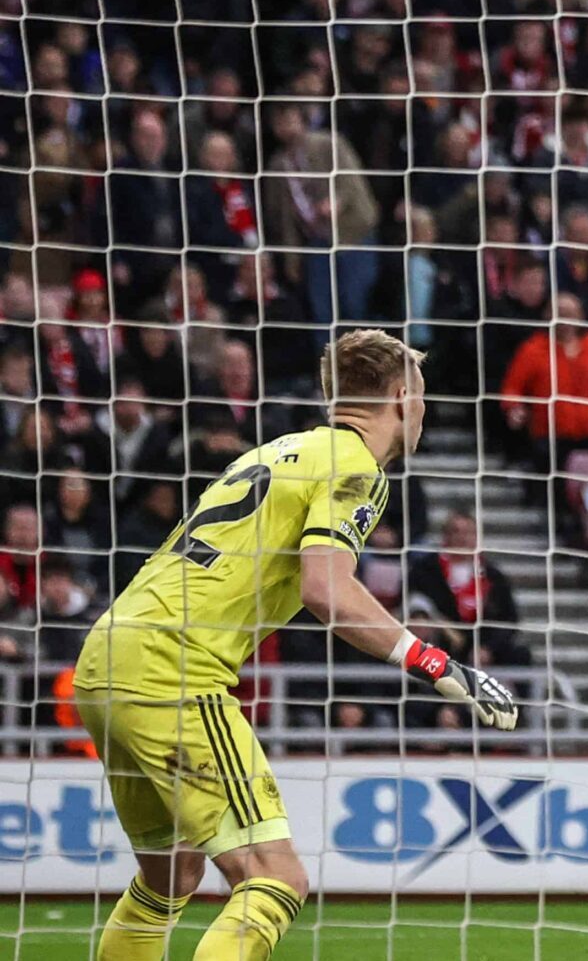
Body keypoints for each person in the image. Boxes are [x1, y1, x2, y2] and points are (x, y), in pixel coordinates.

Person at [71, 330, 519, 961]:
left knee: (170, 874)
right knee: (276, 877)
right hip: (174, 668)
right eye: (420, 395)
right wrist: (435, 661)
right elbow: (325, 589)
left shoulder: (277, 449)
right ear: (401, 396)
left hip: (107, 656)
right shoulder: (357, 467)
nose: (422, 409)